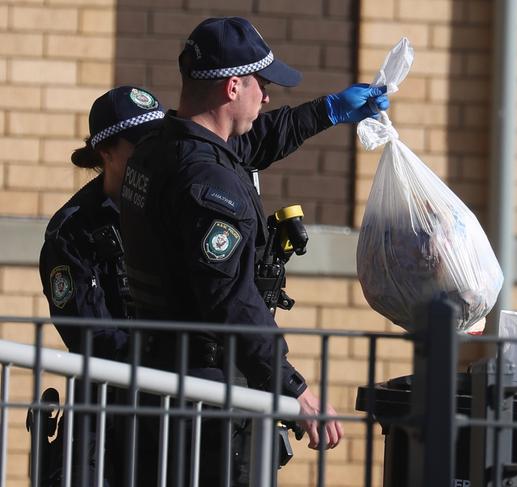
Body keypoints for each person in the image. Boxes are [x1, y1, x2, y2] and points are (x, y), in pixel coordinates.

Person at [119, 16, 389, 486]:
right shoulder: (208, 183)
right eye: (261, 85)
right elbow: (230, 302)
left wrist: (328, 111)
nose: (267, 97)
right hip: (206, 393)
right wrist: (292, 388)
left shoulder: (161, 146)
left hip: (160, 370)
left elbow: (253, 142)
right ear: (232, 87)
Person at [37, 86, 165, 486]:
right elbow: (89, 334)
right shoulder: (72, 230)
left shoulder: (177, 210)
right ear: (107, 152)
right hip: (106, 420)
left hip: (174, 412)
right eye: (142, 144)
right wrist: (164, 354)